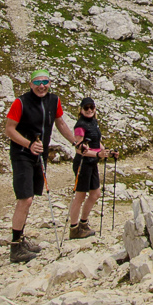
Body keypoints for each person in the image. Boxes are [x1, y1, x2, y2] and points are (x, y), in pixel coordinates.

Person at [1, 70, 64, 262]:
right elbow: (9, 129)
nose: (41, 86)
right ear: (30, 84)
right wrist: (28, 144)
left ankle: (20, 239)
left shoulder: (54, 101)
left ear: (50, 83)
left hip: (39, 154)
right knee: (25, 198)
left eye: (45, 82)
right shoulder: (20, 102)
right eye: (37, 82)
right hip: (22, 154)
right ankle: (15, 247)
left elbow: (61, 124)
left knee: (30, 197)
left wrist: (76, 143)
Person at [66, 97, 106, 240]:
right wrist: (98, 154)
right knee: (80, 196)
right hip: (83, 163)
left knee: (95, 194)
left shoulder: (94, 122)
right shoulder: (80, 126)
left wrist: (106, 152)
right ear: (81, 110)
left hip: (92, 162)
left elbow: (97, 142)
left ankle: (83, 223)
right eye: (86, 108)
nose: (89, 110)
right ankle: (74, 228)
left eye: (91, 107)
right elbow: (79, 149)